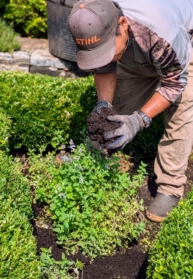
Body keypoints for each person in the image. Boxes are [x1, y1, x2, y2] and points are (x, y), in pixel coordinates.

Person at [68, 0, 193, 222]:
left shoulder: (163, 31)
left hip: (183, 42)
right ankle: (94, 153)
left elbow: (174, 85)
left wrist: (138, 120)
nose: (102, 56)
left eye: (106, 49)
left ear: (122, 24)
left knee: (181, 107)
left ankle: (170, 187)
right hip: (139, 41)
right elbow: (104, 65)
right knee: (119, 104)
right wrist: (103, 105)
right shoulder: (91, 15)